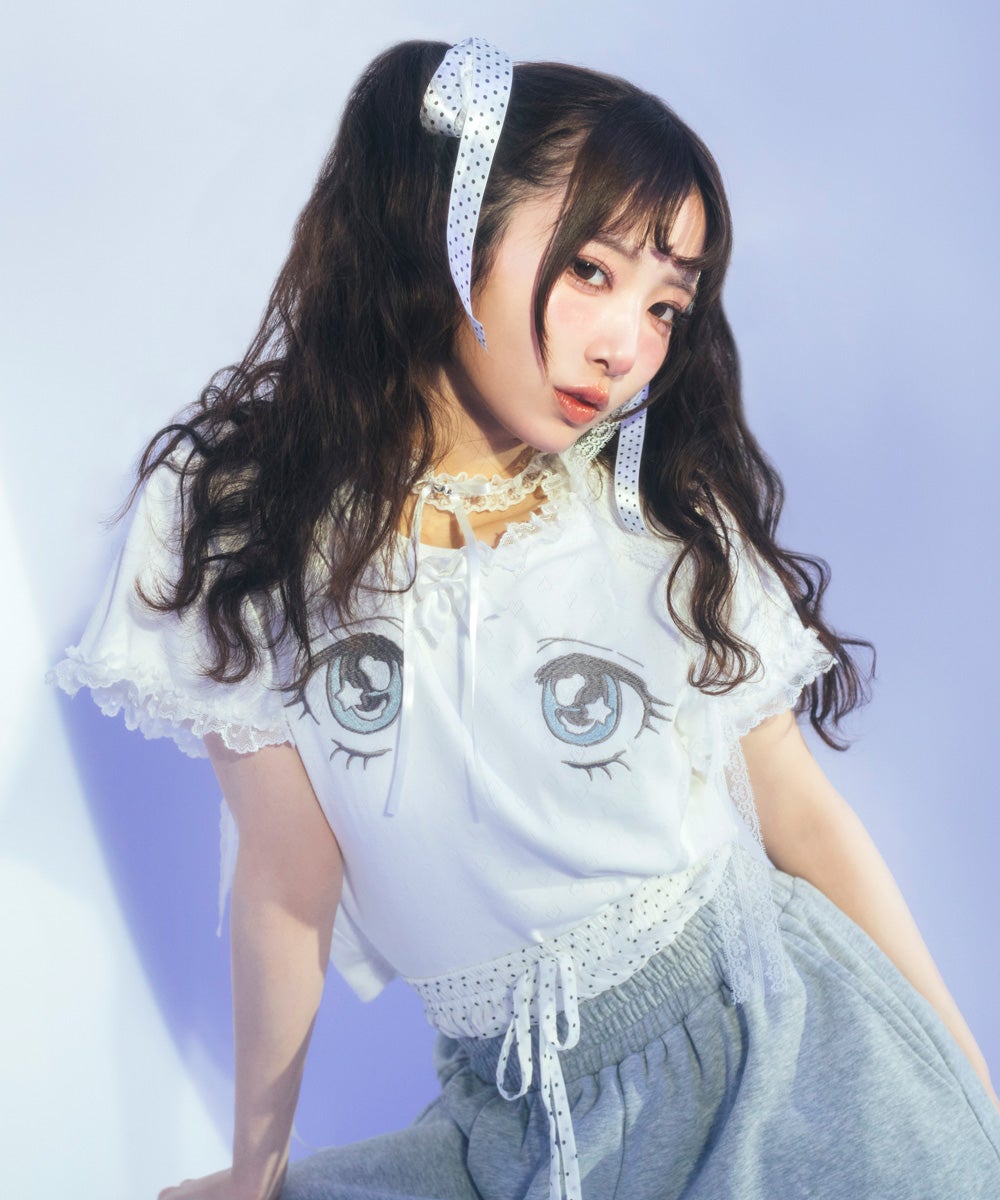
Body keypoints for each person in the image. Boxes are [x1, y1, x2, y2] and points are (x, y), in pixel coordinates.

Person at [51, 36, 1000, 1200]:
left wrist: (962, 1080)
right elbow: (285, 878)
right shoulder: (249, 522)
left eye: (666, 306)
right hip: (517, 1118)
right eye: (592, 270)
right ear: (451, 229)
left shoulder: (647, 514)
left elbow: (797, 810)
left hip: (777, 1061)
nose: (626, 346)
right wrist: (253, 1174)